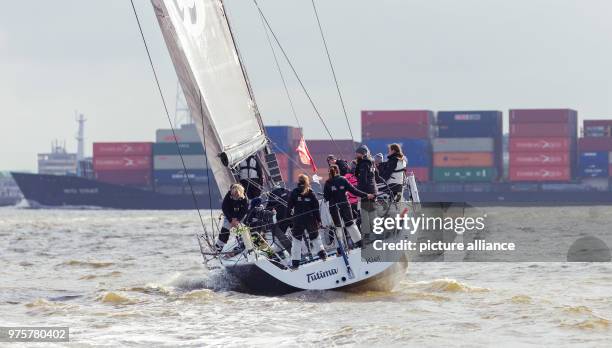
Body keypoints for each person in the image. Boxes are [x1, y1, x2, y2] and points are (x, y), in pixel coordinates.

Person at [324, 165, 374, 250]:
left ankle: (340, 249)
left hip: (334, 207)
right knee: (350, 224)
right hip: (345, 205)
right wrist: (366, 195)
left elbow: (326, 197)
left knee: (338, 227)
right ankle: (360, 244)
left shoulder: (327, 183)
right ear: (338, 171)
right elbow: (354, 191)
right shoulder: (343, 179)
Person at [287, 174, 325, 270]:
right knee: (315, 238)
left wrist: (289, 219)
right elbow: (316, 208)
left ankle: (295, 264)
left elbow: (289, 207)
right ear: (307, 181)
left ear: (298, 181)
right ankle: (323, 255)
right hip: (310, 219)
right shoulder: (311, 193)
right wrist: (319, 220)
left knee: (296, 241)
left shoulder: (294, 192)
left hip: (298, 220)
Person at [215, 183, 249, 252]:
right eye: (233, 195)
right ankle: (219, 246)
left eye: (237, 195)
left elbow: (244, 210)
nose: (235, 197)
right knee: (225, 228)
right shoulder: (228, 195)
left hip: (239, 215)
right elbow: (224, 208)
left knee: (241, 227)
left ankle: (242, 242)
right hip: (229, 214)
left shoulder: (244, 197)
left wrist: (238, 220)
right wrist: (231, 220)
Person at [354, 145, 379, 236]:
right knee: (372, 212)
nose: (356, 155)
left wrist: (362, 192)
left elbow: (362, 179)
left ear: (362, 153)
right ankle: (376, 232)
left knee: (365, 213)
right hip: (373, 189)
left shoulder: (364, 164)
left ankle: (367, 235)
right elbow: (376, 175)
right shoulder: (371, 162)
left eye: (357, 153)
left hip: (366, 191)